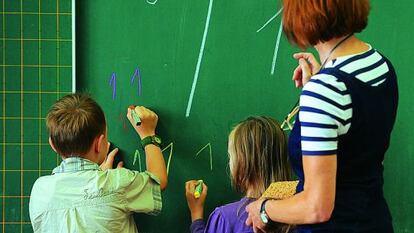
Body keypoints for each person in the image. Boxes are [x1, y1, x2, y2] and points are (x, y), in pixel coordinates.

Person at [245, 0, 398, 232]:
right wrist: (320, 82)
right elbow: (359, 146)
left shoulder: (326, 90)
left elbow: (317, 207)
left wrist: (263, 208)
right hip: (374, 221)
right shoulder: (380, 64)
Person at [29, 93, 168, 233]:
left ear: (52, 145)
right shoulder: (117, 182)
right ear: (100, 143)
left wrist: (100, 175)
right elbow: (158, 180)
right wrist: (148, 135)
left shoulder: (40, 191)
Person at [185, 116, 294, 233]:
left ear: (241, 163)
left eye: (230, 156)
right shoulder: (299, 213)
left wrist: (196, 215)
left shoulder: (226, 218)